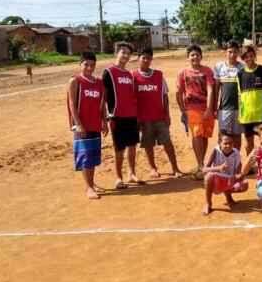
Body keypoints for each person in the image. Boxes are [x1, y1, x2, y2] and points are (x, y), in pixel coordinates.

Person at [133, 48, 182, 178]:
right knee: (148, 144)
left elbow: (165, 96)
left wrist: (167, 114)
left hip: (159, 117)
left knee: (167, 142)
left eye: (148, 58)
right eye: (143, 57)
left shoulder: (159, 75)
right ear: (138, 58)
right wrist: (136, 118)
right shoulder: (133, 77)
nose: (146, 60)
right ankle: (153, 168)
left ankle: (175, 168)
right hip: (144, 118)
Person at [67, 52, 108, 199]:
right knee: (85, 157)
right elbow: (72, 103)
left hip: (95, 124)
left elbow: (102, 104)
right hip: (82, 126)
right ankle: (88, 187)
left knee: (92, 156)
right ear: (80, 64)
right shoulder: (75, 81)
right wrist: (78, 124)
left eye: (92, 65)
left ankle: (92, 183)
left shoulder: (98, 83)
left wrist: (104, 121)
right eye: (86, 65)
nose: (89, 68)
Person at [102, 42, 143, 189]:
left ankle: (132, 174)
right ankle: (118, 177)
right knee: (119, 148)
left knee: (132, 146)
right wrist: (104, 118)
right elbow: (103, 97)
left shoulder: (129, 75)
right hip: (116, 116)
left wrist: (137, 115)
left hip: (131, 116)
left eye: (128, 53)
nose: (125, 55)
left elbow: (132, 96)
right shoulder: (109, 72)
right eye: (123, 52)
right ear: (116, 53)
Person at [176, 44, 215, 180]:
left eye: (197, 55)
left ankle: (201, 163)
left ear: (201, 56)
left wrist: (210, 109)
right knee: (197, 135)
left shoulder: (207, 71)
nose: (195, 57)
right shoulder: (183, 73)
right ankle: (200, 165)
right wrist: (182, 110)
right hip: (192, 109)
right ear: (188, 57)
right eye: (192, 55)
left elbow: (210, 90)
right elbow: (178, 92)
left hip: (206, 108)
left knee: (204, 136)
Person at [237, 46, 262, 156]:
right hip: (247, 116)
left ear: (254, 56)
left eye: (251, 56)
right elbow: (239, 95)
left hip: (261, 115)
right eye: (246, 57)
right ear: (243, 58)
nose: (249, 59)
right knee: (248, 144)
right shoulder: (240, 74)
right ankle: (251, 165)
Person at [202, 134, 248, 215]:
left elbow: (238, 171)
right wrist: (218, 168)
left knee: (244, 184)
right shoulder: (215, 151)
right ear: (220, 143)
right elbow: (204, 170)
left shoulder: (236, 153)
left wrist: (238, 176)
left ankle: (229, 198)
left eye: (230, 143)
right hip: (217, 181)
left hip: (229, 180)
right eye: (225, 143)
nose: (228, 146)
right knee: (208, 177)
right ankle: (208, 203)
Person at [214, 40, 244, 150]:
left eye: (235, 52)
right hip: (224, 108)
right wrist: (214, 107)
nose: (232, 54)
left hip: (239, 108)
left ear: (238, 52)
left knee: (237, 136)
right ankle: (221, 160)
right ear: (225, 52)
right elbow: (216, 89)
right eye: (230, 51)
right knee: (222, 136)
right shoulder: (219, 67)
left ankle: (235, 161)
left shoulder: (242, 67)